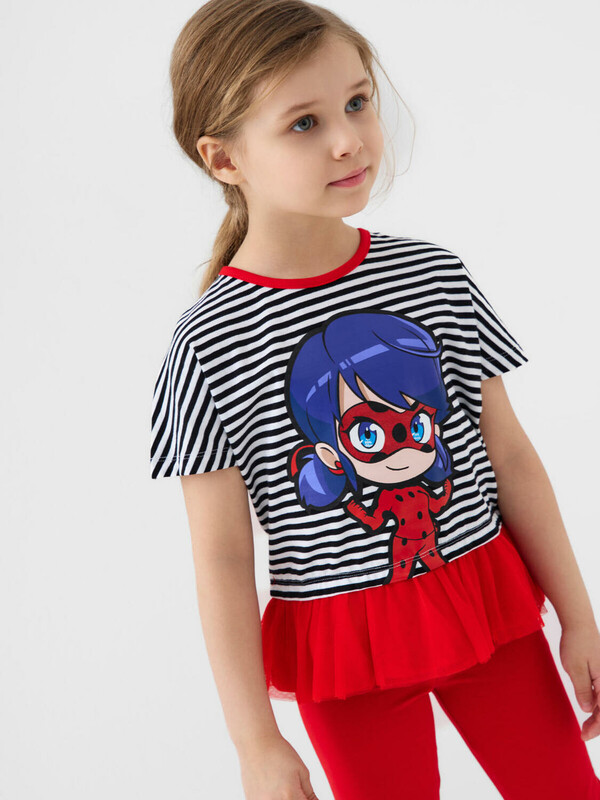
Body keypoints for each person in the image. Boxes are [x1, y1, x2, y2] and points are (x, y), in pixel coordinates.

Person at [149, 1, 600, 797]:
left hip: (488, 613)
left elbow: (509, 455)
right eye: (304, 123)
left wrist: (579, 617)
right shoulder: (208, 344)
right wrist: (255, 742)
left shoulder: (433, 275)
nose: (349, 139)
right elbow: (221, 556)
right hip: (345, 660)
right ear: (223, 158)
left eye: (358, 102)